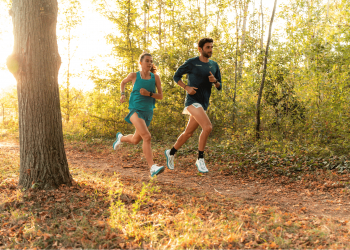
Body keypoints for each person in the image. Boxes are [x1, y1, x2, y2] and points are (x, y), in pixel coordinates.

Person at [164, 38, 222, 173]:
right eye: (208, 47)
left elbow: (219, 86)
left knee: (188, 133)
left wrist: (215, 82)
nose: (210, 50)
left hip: (203, 104)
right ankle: (200, 159)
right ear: (200, 49)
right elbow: (176, 76)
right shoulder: (192, 63)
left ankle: (171, 152)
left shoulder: (214, 65)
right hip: (192, 102)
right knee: (207, 127)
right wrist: (186, 88)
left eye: (212, 47)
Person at [113, 53, 165, 177]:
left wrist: (149, 94)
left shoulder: (155, 77)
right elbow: (123, 82)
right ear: (140, 63)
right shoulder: (134, 76)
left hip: (148, 112)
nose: (149, 63)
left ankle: (120, 138)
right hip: (135, 111)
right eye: (147, 61)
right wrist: (122, 94)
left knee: (136, 140)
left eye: (151, 61)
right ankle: (152, 167)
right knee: (147, 137)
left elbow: (160, 96)